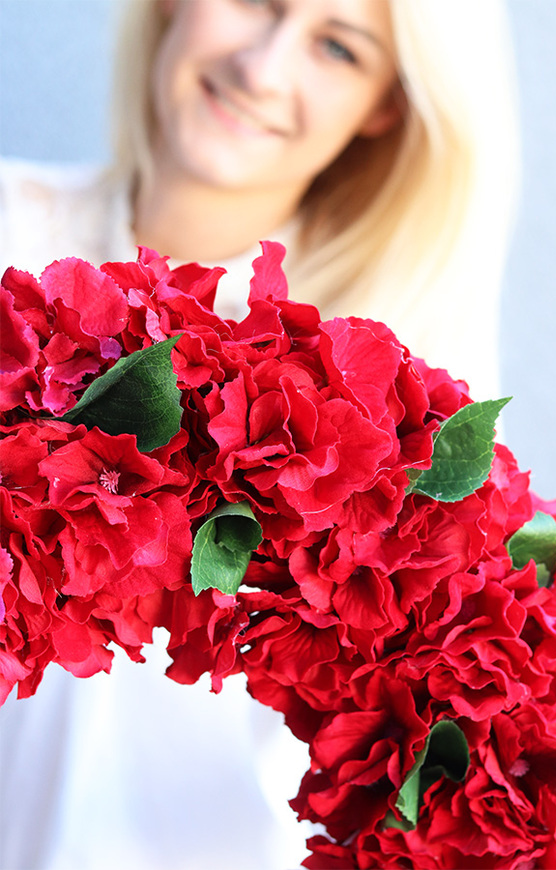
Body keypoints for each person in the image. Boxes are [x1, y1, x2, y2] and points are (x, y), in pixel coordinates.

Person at [0, 1, 519, 868]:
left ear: (385, 106)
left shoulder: (393, 394)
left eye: (336, 47)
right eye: (258, 1)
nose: (264, 68)